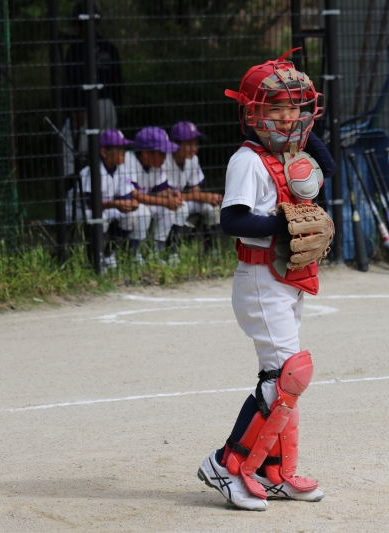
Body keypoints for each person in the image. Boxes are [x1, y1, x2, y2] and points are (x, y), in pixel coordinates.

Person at [197, 52, 335, 511]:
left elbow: (329, 171)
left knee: (283, 380)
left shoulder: (290, 155)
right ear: (253, 113)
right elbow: (232, 220)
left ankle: (276, 472)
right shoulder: (248, 160)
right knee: (287, 378)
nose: (287, 117)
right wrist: (283, 224)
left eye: (294, 107)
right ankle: (226, 464)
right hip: (260, 279)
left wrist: (302, 132)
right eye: (276, 108)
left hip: (286, 278)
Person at [71, 129, 150, 268]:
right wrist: (117, 204)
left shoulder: (120, 169)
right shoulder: (93, 171)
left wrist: (131, 203)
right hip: (79, 211)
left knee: (133, 214)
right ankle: (97, 258)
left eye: (123, 148)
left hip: (106, 206)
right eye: (118, 149)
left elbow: (125, 195)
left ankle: (109, 253)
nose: (123, 152)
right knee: (100, 217)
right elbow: (90, 203)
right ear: (104, 152)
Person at [61, 1, 124, 176]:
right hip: (109, 105)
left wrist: (76, 107)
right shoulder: (109, 47)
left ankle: (73, 189)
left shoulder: (76, 48)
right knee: (106, 150)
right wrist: (114, 105)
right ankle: (107, 187)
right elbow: (119, 82)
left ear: (76, 23)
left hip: (87, 107)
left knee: (68, 150)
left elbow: (73, 81)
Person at [123, 127, 187, 260]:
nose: (165, 157)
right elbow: (134, 195)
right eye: (162, 153)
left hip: (142, 203)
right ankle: (134, 255)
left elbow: (163, 190)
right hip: (124, 205)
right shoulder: (129, 160)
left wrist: (172, 195)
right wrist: (165, 202)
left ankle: (154, 254)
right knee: (143, 212)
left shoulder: (155, 164)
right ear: (146, 153)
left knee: (174, 209)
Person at [165, 121, 222, 252]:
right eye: (189, 144)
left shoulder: (193, 159)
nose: (194, 148)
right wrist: (204, 196)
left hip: (181, 200)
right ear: (174, 144)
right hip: (164, 203)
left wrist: (207, 198)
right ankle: (172, 252)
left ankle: (212, 251)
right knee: (181, 208)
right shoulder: (164, 159)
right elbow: (165, 196)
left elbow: (195, 191)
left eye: (196, 144)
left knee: (211, 208)